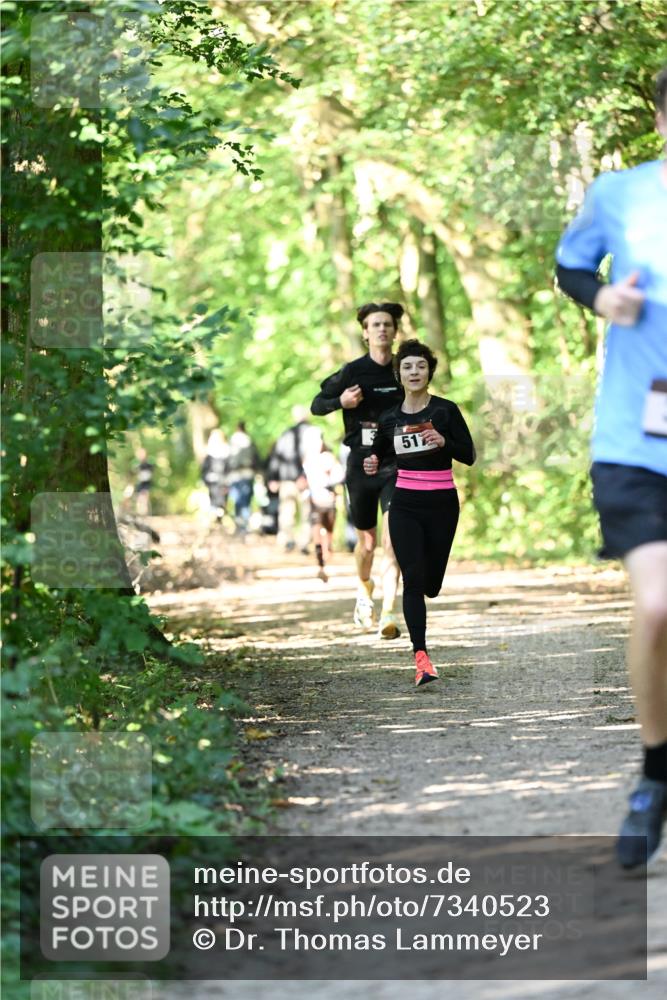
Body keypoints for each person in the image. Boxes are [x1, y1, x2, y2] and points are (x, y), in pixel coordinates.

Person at [555, 65, 667, 869]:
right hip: (637, 437)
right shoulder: (619, 193)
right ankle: (655, 774)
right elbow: (569, 268)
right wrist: (601, 301)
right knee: (658, 606)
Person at [364, 340, 475, 686]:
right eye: (408, 367)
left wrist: (445, 442)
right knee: (412, 578)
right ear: (399, 374)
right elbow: (378, 453)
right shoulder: (390, 418)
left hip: (442, 504)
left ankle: (427, 593)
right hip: (405, 504)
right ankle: (421, 659)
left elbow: (468, 454)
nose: (415, 372)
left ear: (429, 372)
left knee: (431, 583)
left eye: (421, 367)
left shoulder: (445, 411)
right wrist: (372, 461)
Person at [311, 303, 404, 638]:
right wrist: (341, 403)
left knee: (393, 543)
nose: (381, 330)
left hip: (396, 463)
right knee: (367, 542)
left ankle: (390, 613)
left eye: (387, 325)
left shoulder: (403, 368)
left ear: (395, 331)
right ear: (365, 332)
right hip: (361, 463)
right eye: (375, 325)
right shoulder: (351, 371)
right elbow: (317, 404)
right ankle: (365, 591)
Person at [267, 406, 317, 552]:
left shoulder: (285, 434)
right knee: (306, 513)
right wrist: (303, 476)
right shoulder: (312, 432)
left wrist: (273, 478)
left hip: (287, 480)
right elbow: (313, 457)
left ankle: (287, 540)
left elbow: (276, 457)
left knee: (287, 512)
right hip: (307, 480)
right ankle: (304, 543)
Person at [302, 431, 345, 582]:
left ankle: (326, 558)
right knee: (316, 532)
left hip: (328, 501)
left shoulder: (329, 458)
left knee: (328, 533)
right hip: (314, 502)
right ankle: (320, 565)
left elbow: (340, 476)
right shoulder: (306, 461)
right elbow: (302, 481)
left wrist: (330, 481)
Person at [227, 421, 259, 534]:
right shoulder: (249, 440)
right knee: (245, 501)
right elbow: (256, 458)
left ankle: (239, 525)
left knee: (237, 501)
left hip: (235, 475)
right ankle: (244, 525)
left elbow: (227, 460)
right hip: (247, 474)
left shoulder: (232, 440)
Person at [201, 428, 229, 523]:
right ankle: (215, 521)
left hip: (222, 482)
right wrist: (205, 480)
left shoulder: (226, 452)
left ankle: (219, 520)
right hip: (212, 482)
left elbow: (228, 469)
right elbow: (204, 469)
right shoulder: (209, 454)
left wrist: (226, 483)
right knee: (213, 502)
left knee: (221, 503)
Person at [133, 447, 154, 517]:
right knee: (139, 500)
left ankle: (145, 515)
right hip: (139, 484)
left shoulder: (149, 464)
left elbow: (149, 474)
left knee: (144, 498)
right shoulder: (137, 465)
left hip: (146, 484)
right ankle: (139, 514)